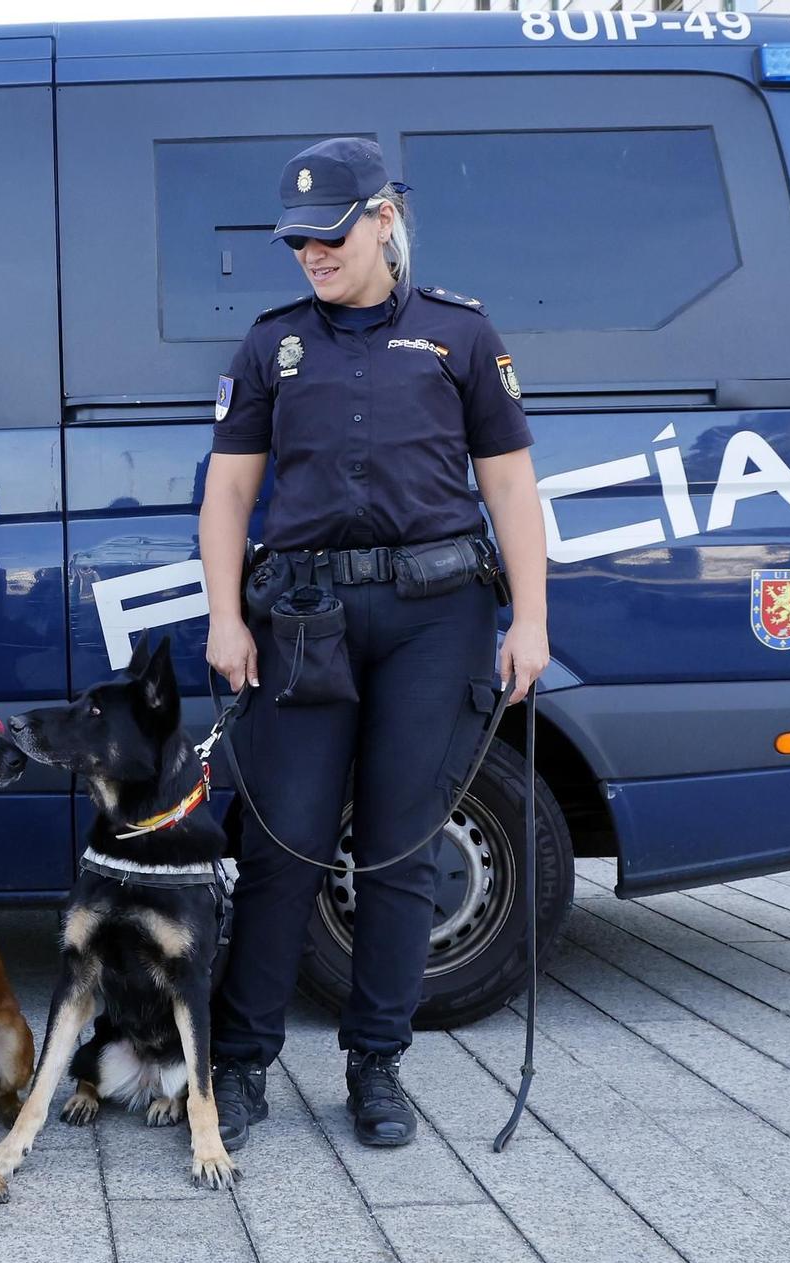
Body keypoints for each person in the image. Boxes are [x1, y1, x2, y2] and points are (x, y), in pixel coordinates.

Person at [196, 137, 549, 1150]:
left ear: (381, 219)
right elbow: (226, 492)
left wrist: (528, 617)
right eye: (295, 240)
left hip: (433, 621)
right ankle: (242, 1060)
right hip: (301, 621)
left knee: (397, 846)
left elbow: (510, 486)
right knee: (281, 845)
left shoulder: (459, 336)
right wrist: (225, 614)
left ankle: (376, 1064)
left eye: (328, 233)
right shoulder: (269, 345)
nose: (310, 252)